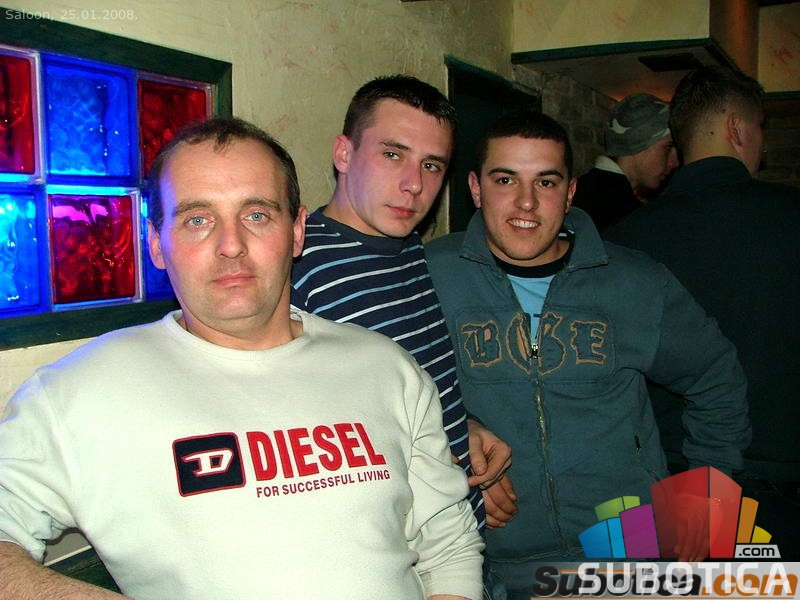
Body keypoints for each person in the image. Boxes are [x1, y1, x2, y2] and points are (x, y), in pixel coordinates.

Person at [0, 117, 484, 599]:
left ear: (297, 232)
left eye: (256, 215)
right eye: (197, 220)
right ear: (156, 243)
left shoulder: (388, 368)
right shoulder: (81, 393)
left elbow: (449, 549)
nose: (231, 246)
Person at [425, 108, 750, 598]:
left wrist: (708, 498)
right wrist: (455, 446)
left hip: (626, 559)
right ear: (475, 188)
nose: (526, 201)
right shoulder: (429, 276)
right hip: (488, 563)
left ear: (570, 192)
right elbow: (389, 395)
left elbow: (716, 378)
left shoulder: (634, 282)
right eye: (505, 179)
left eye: (546, 182)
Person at [291, 75, 515, 531]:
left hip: (458, 536)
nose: (414, 184)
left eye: (432, 165)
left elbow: (415, 389)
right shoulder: (295, 265)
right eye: (393, 154)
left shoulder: (410, 248)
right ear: (343, 154)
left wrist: (463, 428)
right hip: (392, 546)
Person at [605, 66, 800, 558]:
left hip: (665, 484)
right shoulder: (792, 217)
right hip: (783, 487)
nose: (762, 144)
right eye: (760, 129)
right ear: (736, 128)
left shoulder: (623, 241)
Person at [572, 92, 678, 232]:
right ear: (638, 143)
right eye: (668, 148)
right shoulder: (624, 214)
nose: (674, 163)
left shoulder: (582, 191)